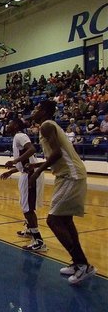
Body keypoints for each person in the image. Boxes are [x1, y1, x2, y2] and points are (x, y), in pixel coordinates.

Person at [26, 99, 96, 284]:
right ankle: (78, 263)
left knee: (53, 220)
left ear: (45, 111)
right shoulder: (49, 126)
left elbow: (57, 153)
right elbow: (57, 155)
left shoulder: (47, 126)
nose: (35, 111)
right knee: (66, 220)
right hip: (68, 174)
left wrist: (38, 172)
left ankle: (83, 265)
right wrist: (35, 166)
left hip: (70, 176)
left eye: (38, 108)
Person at [0, 118, 46, 251]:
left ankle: (39, 241)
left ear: (16, 125)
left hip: (31, 174)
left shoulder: (20, 136)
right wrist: (13, 170)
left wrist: (14, 162)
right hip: (25, 173)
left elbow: (31, 150)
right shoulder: (17, 137)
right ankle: (30, 230)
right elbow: (26, 160)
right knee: (25, 206)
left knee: (28, 209)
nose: (8, 125)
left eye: (10, 123)